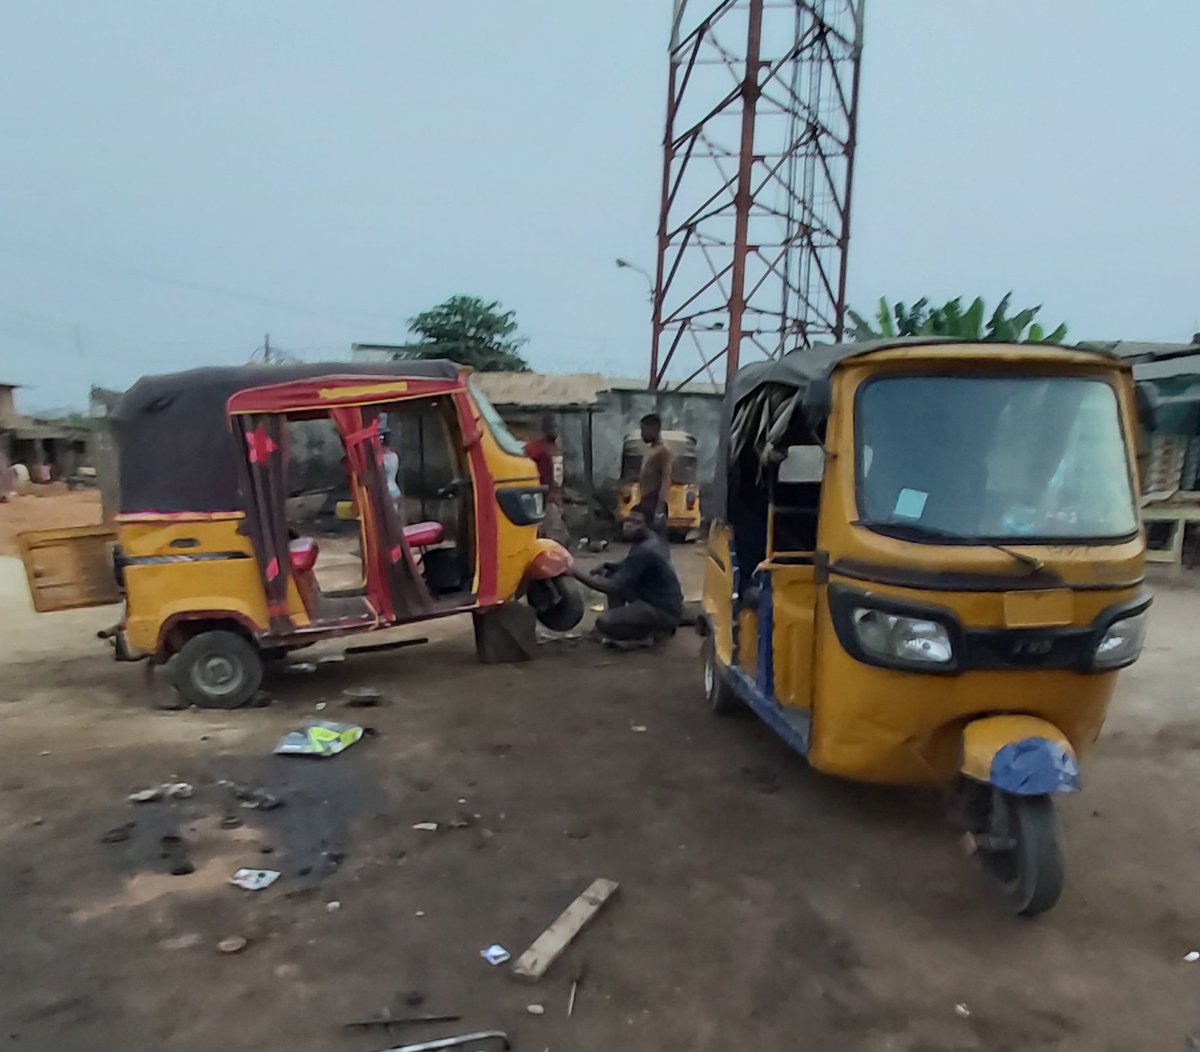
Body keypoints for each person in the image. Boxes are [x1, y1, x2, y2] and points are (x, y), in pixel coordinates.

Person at [569, 507, 683, 645]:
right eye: (628, 520)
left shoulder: (645, 550)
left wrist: (575, 572)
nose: (628, 526)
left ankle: (648, 635)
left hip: (660, 609)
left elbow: (613, 587)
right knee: (611, 573)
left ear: (647, 526)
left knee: (604, 622)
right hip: (658, 601)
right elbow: (633, 566)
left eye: (636, 523)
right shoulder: (649, 541)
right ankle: (633, 623)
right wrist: (609, 565)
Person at [525, 414, 568, 544]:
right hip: (542, 493)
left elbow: (558, 473)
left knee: (553, 527)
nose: (554, 431)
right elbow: (524, 455)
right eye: (551, 428)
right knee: (552, 530)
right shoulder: (537, 447)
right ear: (544, 429)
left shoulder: (555, 448)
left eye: (555, 427)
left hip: (555, 494)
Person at [636, 413, 672, 536]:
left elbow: (665, 480)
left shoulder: (663, 450)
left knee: (655, 541)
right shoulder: (650, 449)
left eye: (644, 430)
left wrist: (659, 509)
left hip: (655, 501)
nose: (642, 434)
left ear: (654, 429)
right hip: (646, 500)